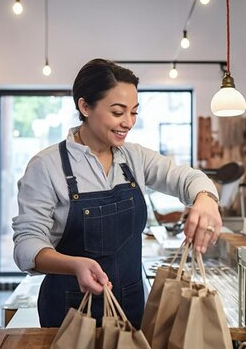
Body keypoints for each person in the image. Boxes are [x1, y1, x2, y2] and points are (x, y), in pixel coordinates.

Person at [12, 58, 223, 329]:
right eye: (117, 112)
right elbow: (27, 244)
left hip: (131, 306)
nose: (128, 122)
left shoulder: (134, 158)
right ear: (85, 106)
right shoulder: (46, 166)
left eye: (134, 112)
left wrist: (206, 200)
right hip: (70, 312)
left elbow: (188, 178)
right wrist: (74, 265)